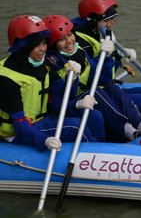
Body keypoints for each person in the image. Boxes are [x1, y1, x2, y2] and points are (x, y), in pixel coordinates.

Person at [43, 14, 141, 141]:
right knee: (97, 92)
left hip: (86, 95)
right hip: (71, 103)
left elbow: (102, 79)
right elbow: (61, 99)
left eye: (70, 35)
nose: (69, 41)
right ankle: (129, 131)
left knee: (113, 88)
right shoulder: (52, 64)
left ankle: (140, 124)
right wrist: (74, 80)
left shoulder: (79, 51)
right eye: (62, 39)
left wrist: (108, 57)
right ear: (53, 44)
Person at [0, 15, 102, 151]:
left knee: (93, 115)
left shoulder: (42, 66)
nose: (43, 49)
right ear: (22, 47)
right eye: (37, 44)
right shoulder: (7, 79)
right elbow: (20, 125)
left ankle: (105, 147)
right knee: (75, 126)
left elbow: (61, 99)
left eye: (44, 43)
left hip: (42, 120)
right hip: (18, 132)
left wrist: (72, 82)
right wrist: (44, 140)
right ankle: (96, 155)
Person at [73, 0, 141, 121]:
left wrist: (122, 53)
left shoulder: (100, 32)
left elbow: (113, 57)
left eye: (112, 19)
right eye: (106, 20)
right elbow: (100, 78)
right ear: (92, 20)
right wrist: (107, 57)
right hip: (93, 92)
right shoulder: (80, 44)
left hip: (108, 86)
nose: (110, 23)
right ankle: (126, 133)